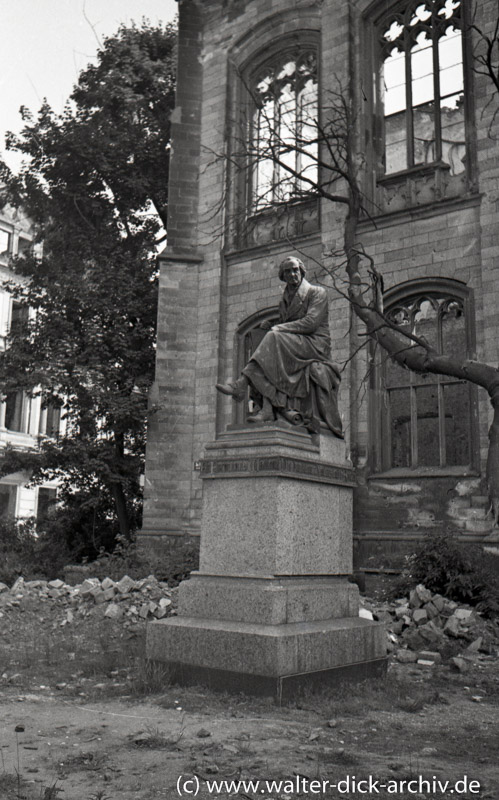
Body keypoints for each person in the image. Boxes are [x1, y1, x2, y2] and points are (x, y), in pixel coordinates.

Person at [216, 256, 343, 437]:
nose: (292, 274)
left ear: (302, 271)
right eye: (287, 271)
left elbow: (310, 323)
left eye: (295, 270)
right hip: (296, 344)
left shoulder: (317, 292)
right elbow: (289, 322)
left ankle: (242, 383)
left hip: (316, 344)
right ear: (282, 276)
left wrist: (278, 327)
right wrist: (272, 323)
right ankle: (267, 408)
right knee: (268, 344)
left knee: (274, 338)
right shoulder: (284, 300)